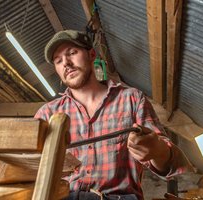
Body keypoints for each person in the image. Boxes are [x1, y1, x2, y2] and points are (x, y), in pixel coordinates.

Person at [34, 30, 192, 200]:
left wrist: (157, 151)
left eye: (72, 53)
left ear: (92, 54)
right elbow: (29, 170)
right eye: (58, 61)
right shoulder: (47, 113)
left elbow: (173, 164)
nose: (66, 63)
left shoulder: (131, 99)